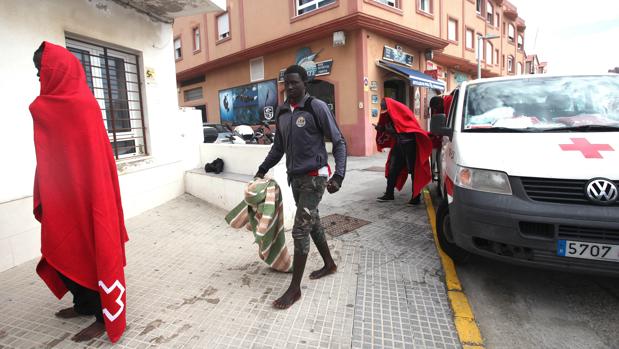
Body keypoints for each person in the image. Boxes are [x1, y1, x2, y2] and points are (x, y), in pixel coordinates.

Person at [30, 42, 128, 343]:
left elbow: (91, 160)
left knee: (94, 249)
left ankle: (102, 315)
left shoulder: (81, 105)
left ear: (55, 71)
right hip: (62, 193)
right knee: (67, 247)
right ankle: (83, 304)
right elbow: (52, 153)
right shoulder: (49, 105)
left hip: (90, 195)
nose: (38, 78)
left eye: (40, 71)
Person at [255, 64, 347, 309]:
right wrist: (262, 169)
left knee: (299, 230)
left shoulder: (316, 107)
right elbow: (278, 148)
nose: (290, 87)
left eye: (295, 82)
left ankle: (294, 289)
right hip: (294, 179)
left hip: (315, 178)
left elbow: (338, 141)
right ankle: (329, 264)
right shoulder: (283, 112)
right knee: (313, 221)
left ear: (305, 83)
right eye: (287, 83)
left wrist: (339, 175)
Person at [375, 98, 432, 205]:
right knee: (393, 169)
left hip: (409, 145)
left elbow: (405, 129)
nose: (384, 111)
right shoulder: (390, 114)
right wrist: (382, 129)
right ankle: (389, 193)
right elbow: (394, 130)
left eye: (384, 108)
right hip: (399, 145)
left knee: (413, 171)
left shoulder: (402, 111)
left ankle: (416, 197)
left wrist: (387, 129)